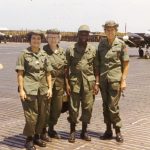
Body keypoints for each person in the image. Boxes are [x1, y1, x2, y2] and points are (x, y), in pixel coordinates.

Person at [16, 31, 52, 150]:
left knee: (42, 115)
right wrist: (21, 90)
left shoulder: (44, 55)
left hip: (43, 89)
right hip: (29, 89)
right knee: (31, 116)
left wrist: (50, 88)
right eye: (33, 38)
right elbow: (20, 74)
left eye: (38, 38)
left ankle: (37, 136)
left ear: (41, 40)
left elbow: (48, 73)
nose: (36, 40)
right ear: (29, 40)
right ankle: (29, 139)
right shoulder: (24, 54)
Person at [65, 25, 99, 143]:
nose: (84, 36)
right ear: (78, 35)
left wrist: (97, 83)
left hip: (89, 83)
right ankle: (72, 131)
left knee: (88, 108)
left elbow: (96, 68)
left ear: (88, 35)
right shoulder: (70, 49)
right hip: (75, 83)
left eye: (86, 34)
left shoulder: (93, 49)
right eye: (82, 34)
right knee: (73, 108)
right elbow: (66, 68)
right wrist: (67, 84)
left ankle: (84, 131)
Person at [97, 20, 129, 143]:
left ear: (116, 31)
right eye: (107, 30)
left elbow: (125, 64)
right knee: (105, 106)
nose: (110, 32)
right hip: (104, 80)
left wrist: (123, 81)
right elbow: (98, 64)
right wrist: (97, 81)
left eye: (112, 30)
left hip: (115, 80)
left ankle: (118, 131)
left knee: (113, 106)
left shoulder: (121, 45)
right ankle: (108, 130)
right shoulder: (101, 45)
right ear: (105, 31)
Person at [43, 29, 66, 139]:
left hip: (60, 84)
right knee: (46, 109)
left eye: (55, 37)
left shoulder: (62, 52)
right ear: (46, 38)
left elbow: (66, 69)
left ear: (59, 38)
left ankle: (51, 129)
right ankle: (43, 130)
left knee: (57, 108)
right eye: (50, 37)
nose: (53, 39)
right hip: (47, 85)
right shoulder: (42, 51)